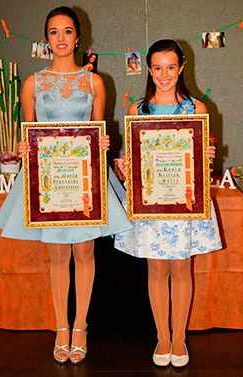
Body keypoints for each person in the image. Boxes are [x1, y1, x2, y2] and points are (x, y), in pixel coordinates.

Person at [0, 6, 131, 365]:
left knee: (85, 252)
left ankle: (81, 326)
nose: (61, 39)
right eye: (53, 32)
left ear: (78, 37)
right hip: (51, 180)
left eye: (67, 31)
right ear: (46, 39)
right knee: (58, 254)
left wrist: (103, 143)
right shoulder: (32, 83)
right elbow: (30, 132)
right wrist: (24, 148)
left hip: (84, 177)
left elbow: (99, 129)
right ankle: (60, 327)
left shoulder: (94, 82)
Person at [114, 39, 222, 368]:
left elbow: (202, 162)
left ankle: (179, 338)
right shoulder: (137, 110)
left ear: (182, 68)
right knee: (157, 268)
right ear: (148, 69)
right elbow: (132, 158)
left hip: (184, 201)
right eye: (158, 68)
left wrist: (208, 156)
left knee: (181, 267)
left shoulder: (196, 109)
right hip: (149, 202)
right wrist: (123, 164)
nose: (164, 74)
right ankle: (162, 337)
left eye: (171, 67)